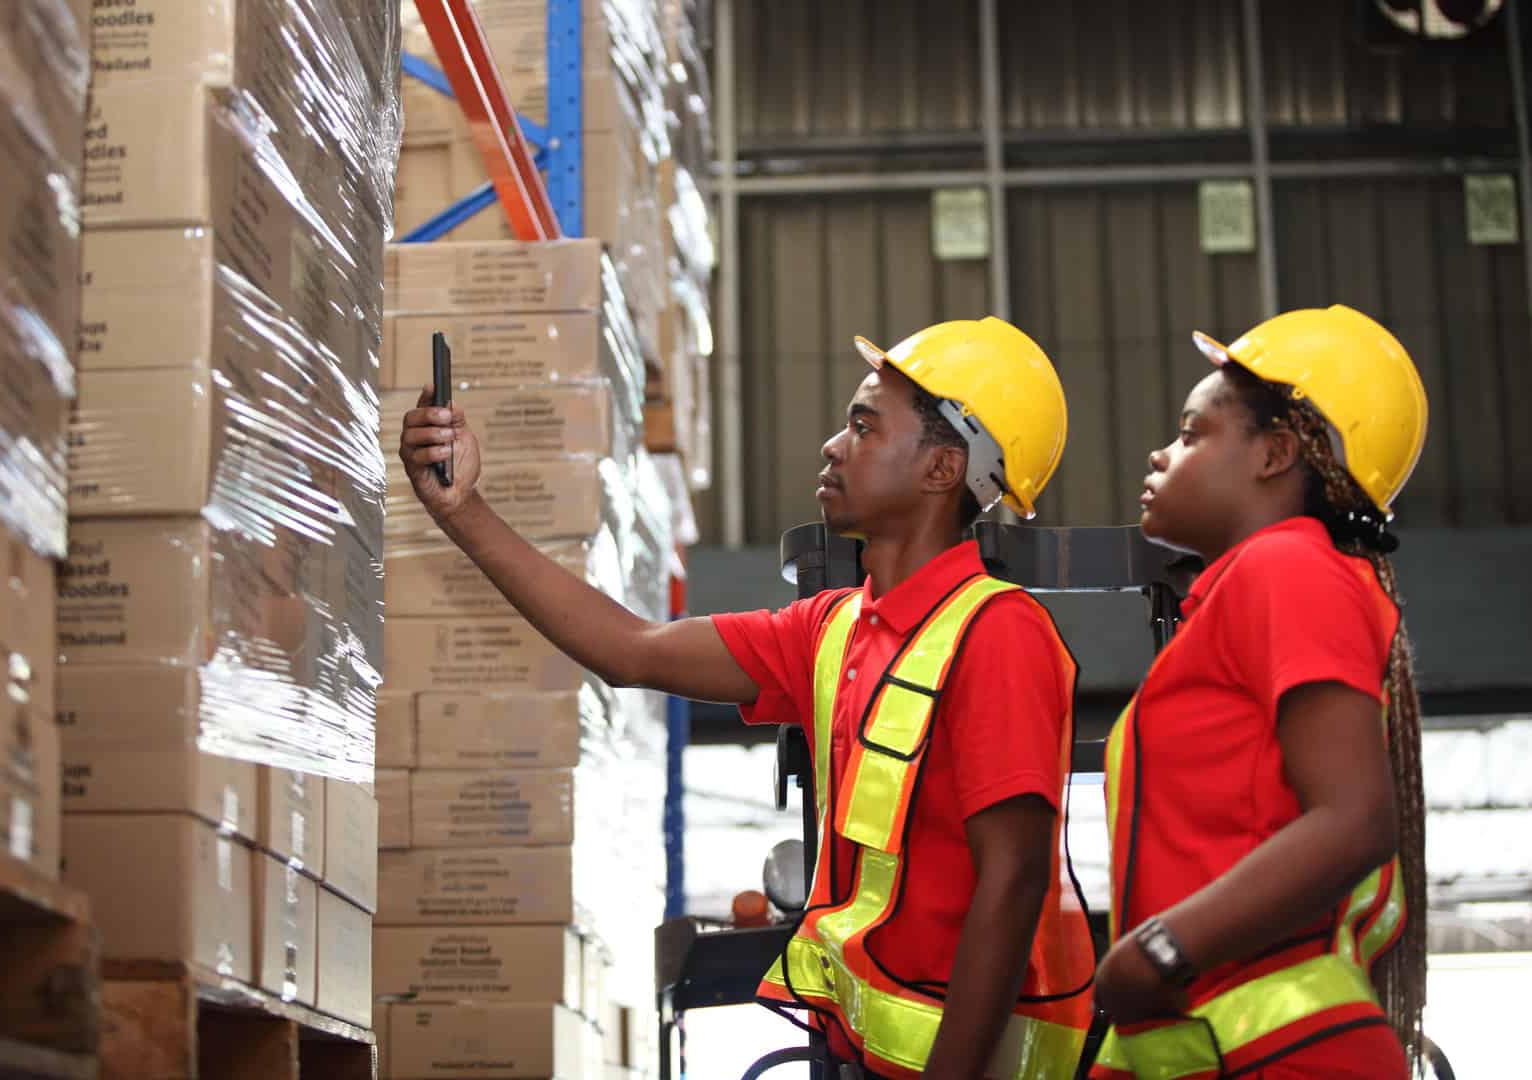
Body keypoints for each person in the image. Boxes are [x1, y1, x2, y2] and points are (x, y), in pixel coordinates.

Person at [398, 318, 1095, 1080]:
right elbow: (629, 650)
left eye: (864, 427)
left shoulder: (998, 633)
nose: (833, 445)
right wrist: (461, 509)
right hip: (869, 1055)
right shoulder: (833, 629)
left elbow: (1016, 878)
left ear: (941, 467)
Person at [1090, 305, 1429, 1079]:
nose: (1159, 453)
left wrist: (1159, 950)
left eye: (1190, 433)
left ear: (1276, 453)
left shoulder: (1289, 569)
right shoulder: (1246, 591)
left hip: (1287, 1053)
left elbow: (1354, 821)